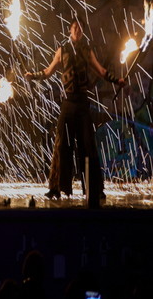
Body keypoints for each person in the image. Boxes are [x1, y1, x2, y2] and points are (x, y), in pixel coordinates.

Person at [25, 16, 125, 201]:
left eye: (80, 28)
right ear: (70, 30)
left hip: (82, 104)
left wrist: (116, 80)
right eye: (75, 28)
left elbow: (101, 71)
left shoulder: (87, 50)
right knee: (62, 145)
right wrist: (34, 75)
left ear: (82, 32)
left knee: (88, 146)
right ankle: (56, 187)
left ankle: (94, 189)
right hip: (68, 104)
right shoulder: (62, 50)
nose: (78, 31)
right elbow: (48, 71)